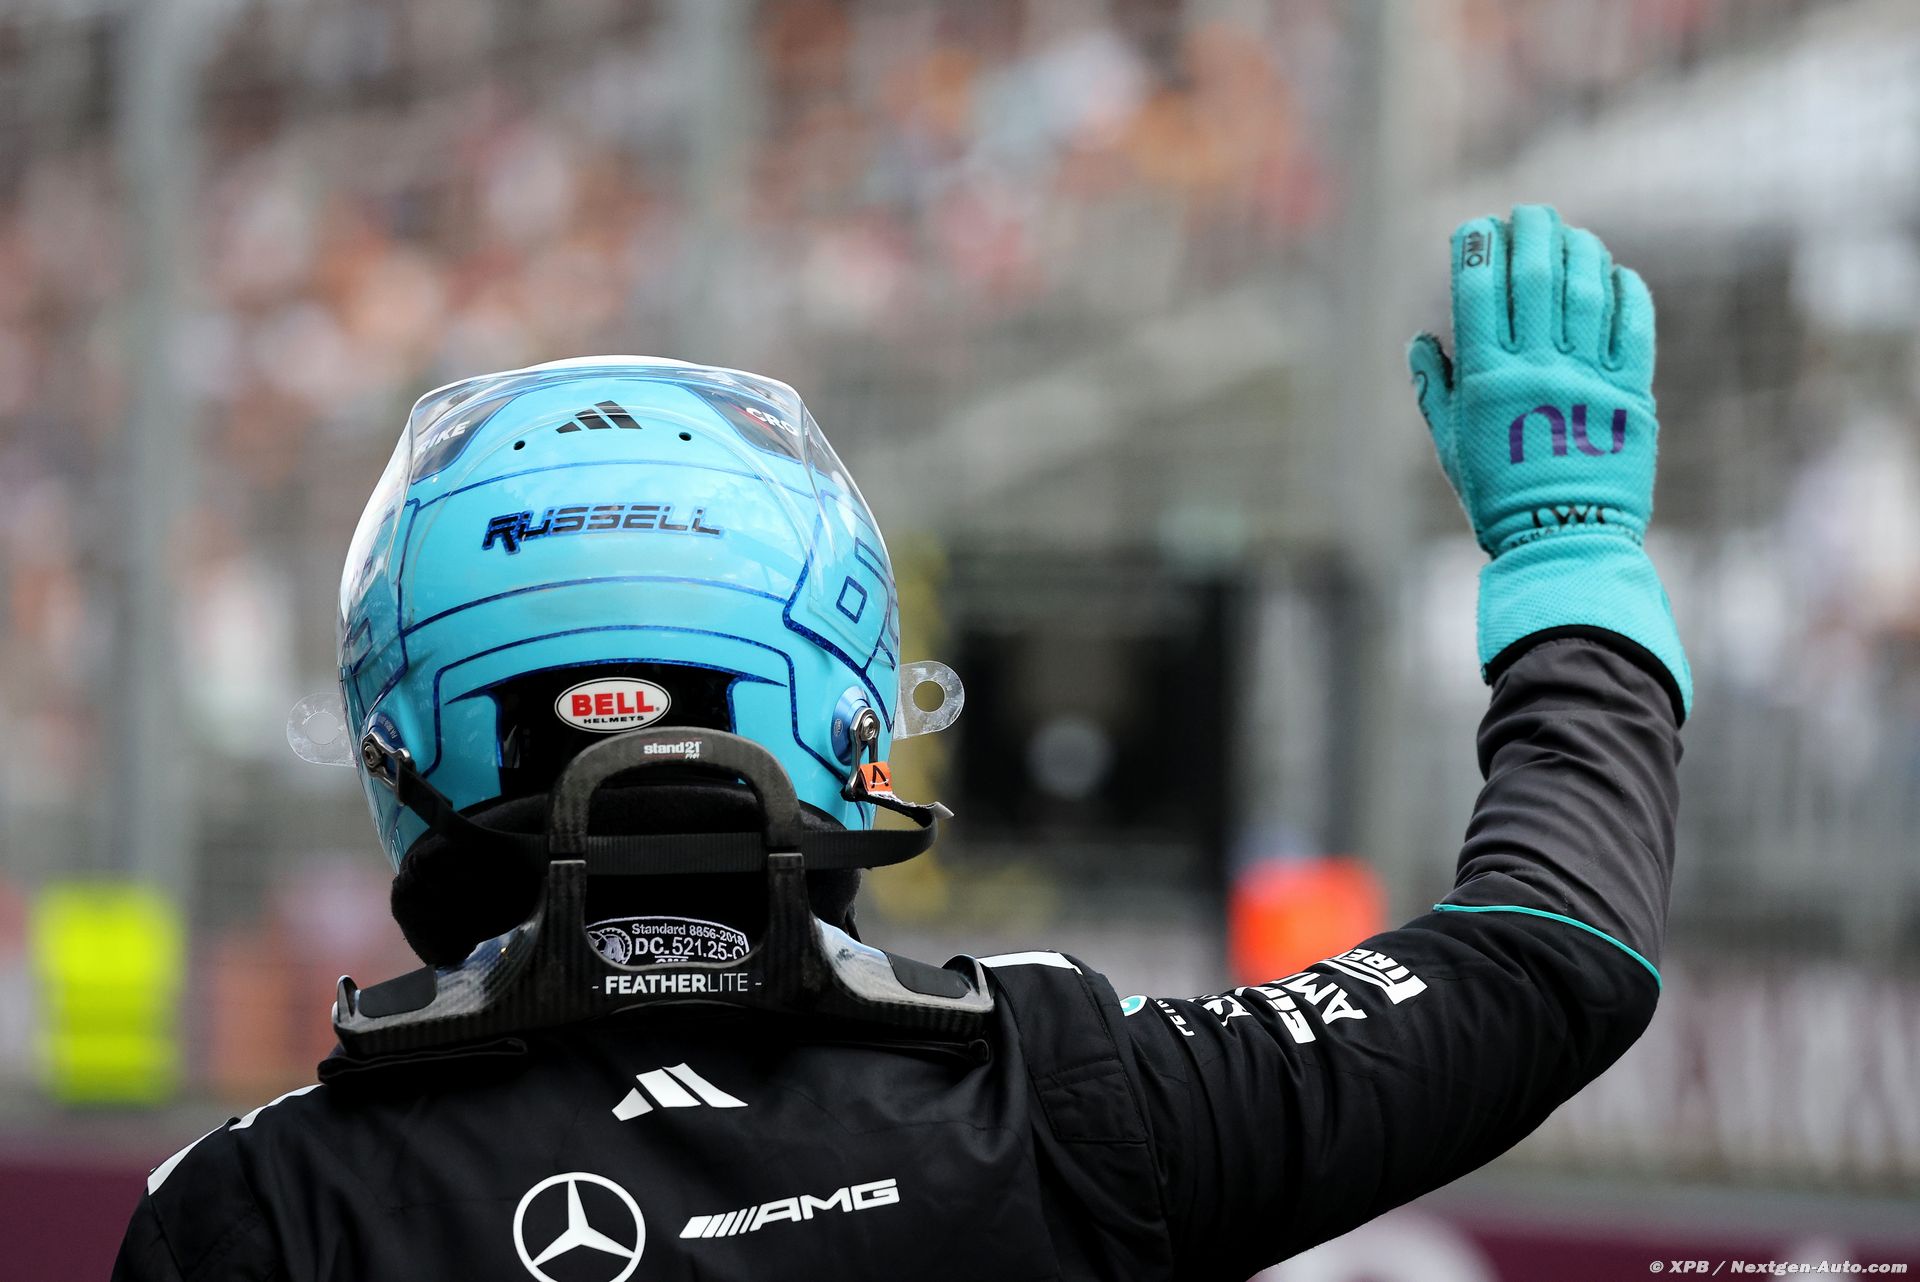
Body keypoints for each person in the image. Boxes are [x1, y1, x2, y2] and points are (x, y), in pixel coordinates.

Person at [113, 204, 1686, 1281]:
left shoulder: (267, 1212)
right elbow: (1553, 956)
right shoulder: (1062, 1103)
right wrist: (1572, 557)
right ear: (844, 710)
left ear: (403, 743)